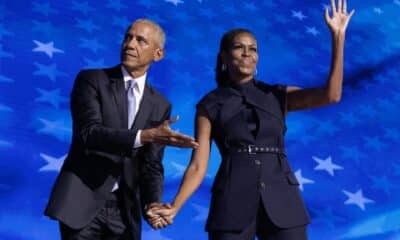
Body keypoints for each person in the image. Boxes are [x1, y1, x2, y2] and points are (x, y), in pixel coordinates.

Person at [148, 1, 355, 239]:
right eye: (239, 47)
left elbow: (332, 95)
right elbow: (198, 165)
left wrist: (338, 38)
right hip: (231, 203)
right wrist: (175, 205)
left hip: (283, 201)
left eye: (253, 49)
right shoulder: (209, 105)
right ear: (225, 57)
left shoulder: (277, 95)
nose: (247, 53)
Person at [44, 18, 199, 240]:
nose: (130, 44)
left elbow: (151, 165)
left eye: (141, 40)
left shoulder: (160, 104)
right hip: (82, 204)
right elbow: (89, 133)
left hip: (125, 212)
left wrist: (153, 204)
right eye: (128, 37)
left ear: (158, 54)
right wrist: (144, 136)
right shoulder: (92, 80)